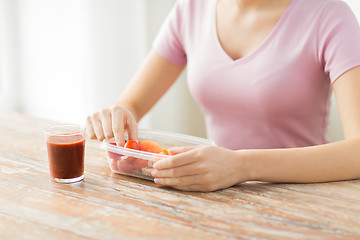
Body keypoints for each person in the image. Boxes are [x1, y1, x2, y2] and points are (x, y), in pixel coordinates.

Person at [86, 0, 360, 192]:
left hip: (305, 195)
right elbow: (131, 104)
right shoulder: (190, 9)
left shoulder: (330, 16)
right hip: (217, 196)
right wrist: (118, 111)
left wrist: (241, 167)